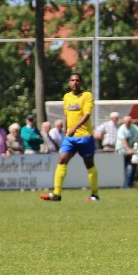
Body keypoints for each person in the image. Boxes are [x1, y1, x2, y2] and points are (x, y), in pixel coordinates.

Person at [41, 73, 100, 201]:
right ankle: (56, 194)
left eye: (77, 80)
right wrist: (67, 130)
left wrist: (74, 128)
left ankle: (94, 194)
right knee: (62, 159)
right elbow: (67, 115)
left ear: (81, 83)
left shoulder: (87, 96)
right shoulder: (67, 97)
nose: (75, 82)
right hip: (70, 137)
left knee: (89, 164)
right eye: (72, 80)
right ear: (69, 83)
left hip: (85, 136)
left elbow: (86, 115)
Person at [117, 115, 138, 188]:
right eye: (126, 122)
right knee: (124, 168)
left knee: (132, 167)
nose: (127, 123)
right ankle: (124, 185)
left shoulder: (134, 128)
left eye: (129, 122)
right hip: (121, 151)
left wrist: (137, 147)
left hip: (131, 151)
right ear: (124, 122)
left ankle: (129, 185)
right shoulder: (121, 129)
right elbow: (123, 140)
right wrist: (128, 149)